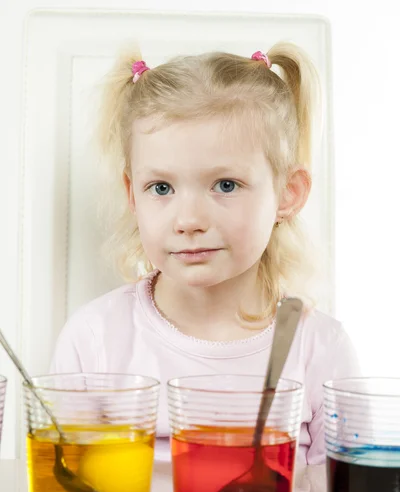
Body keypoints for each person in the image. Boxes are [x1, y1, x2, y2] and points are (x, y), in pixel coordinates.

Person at [51, 44, 359, 464]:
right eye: (161, 188)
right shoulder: (95, 340)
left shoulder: (320, 349)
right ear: (132, 196)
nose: (189, 220)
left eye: (225, 185)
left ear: (288, 193)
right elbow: (70, 491)